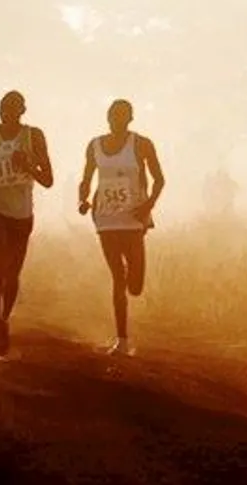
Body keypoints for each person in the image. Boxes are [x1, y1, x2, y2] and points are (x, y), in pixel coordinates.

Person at [77, 99, 164, 357]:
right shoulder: (94, 146)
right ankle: (122, 339)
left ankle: (131, 277)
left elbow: (160, 179)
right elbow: (86, 178)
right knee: (117, 277)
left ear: (130, 118)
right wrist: (83, 199)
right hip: (105, 219)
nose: (115, 119)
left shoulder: (142, 144)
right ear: (107, 117)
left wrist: (148, 205)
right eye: (112, 115)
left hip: (134, 219)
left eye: (121, 115)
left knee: (134, 285)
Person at [0, 90, 54, 357]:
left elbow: (48, 179)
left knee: (14, 270)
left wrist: (27, 165)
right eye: (2, 107)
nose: (5, 112)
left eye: (11, 108)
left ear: (22, 111)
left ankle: (4, 320)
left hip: (21, 210)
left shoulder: (34, 136)